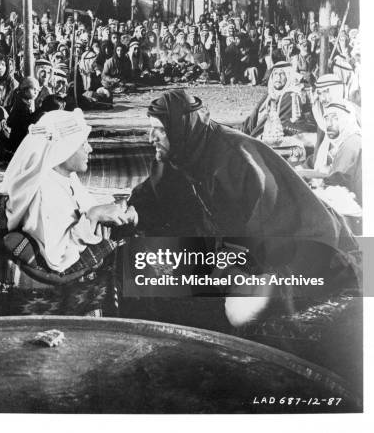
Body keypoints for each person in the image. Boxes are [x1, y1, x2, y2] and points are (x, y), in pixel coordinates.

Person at [128, 90, 359, 327]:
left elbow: (263, 232)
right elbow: (157, 194)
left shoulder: (236, 160)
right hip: (240, 251)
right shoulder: (181, 148)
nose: (151, 137)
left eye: (161, 130)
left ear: (181, 129)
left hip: (304, 248)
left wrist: (225, 271)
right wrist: (133, 212)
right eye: (152, 128)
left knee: (236, 312)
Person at [1, 109, 135, 315]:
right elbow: (57, 261)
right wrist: (94, 216)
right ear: (62, 149)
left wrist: (114, 210)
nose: (90, 149)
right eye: (83, 143)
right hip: (59, 278)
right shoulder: (45, 192)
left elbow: (84, 205)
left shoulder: (63, 178)